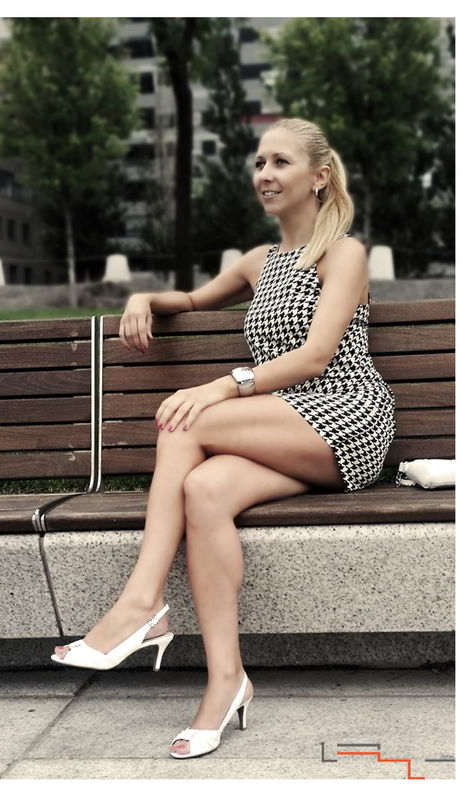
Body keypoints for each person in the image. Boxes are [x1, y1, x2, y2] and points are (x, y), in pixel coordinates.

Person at [51, 117, 396, 759]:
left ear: (320, 176)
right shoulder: (259, 262)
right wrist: (145, 297)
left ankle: (142, 603)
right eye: (259, 163)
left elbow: (316, 357)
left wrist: (222, 386)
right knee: (204, 491)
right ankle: (225, 683)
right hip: (281, 424)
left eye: (281, 162)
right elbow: (192, 299)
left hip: (346, 416)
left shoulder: (342, 253)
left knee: (184, 417)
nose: (265, 174)